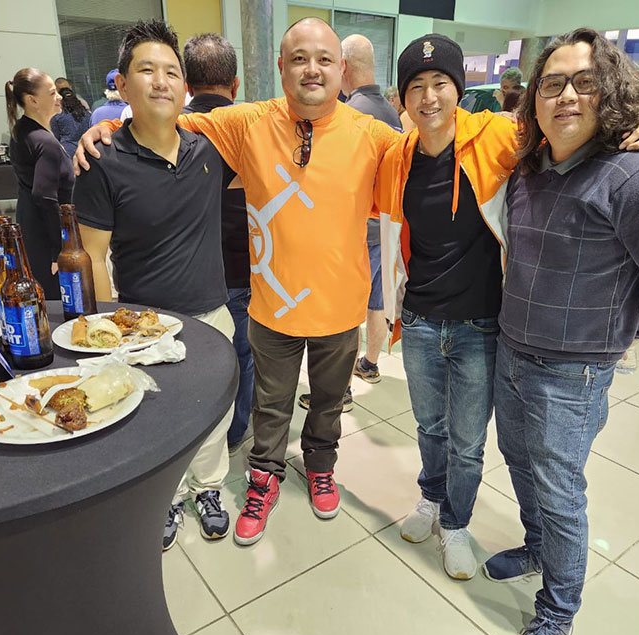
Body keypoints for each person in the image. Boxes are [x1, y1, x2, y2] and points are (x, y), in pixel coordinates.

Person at [74, 17, 401, 547]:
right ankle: (265, 475)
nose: (311, 69)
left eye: (323, 59)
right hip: (271, 306)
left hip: (341, 306)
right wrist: (106, 128)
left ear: (342, 69)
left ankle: (320, 466)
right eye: (298, 58)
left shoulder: (376, 136)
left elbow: (429, 166)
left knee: (328, 401)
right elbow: (162, 125)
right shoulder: (247, 122)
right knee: (269, 406)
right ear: (280, 68)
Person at [373, 35, 639, 582]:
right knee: (429, 427)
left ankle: (457, 524)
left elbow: (572, 131)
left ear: (459, 90)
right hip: (418, 321)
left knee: (468, 440)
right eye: (416, 87)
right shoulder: (395, 156)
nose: (429, 97)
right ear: (402, 98)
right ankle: (431, 501)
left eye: (440, 84)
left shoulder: (501, 136)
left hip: (483, 323)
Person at [484, 28, 639, 635]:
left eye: (585, 82)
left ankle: (557, 612)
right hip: (513, 349)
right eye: (553, 84)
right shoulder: (530, 169)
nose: (567, 96)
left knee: (560, 489)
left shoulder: (636, 176)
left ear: (610, 93)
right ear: (535, 99)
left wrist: (625, 332)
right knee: (520, 462)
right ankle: (534, 547)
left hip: (572, 372)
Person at [72, 20, 234, 549]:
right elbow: (92, 255)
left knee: (212, 411)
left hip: (212, 312)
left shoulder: (210, 148)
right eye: (147, 70)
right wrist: (106, 328)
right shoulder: (101, 162)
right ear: (121, 84)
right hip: (145, 325)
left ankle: (208, 488)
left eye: (172, 72)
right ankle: (166, 498)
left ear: (187, 88)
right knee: (156, 416)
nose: (162, 82)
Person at [298, 34, 402, 411]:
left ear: (343, 66)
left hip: (353, 233)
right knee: (374, 303)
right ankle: (370, 365)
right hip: (383, 232)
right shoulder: (390, 111)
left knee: (344, 314)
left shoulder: (348, 115)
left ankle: (339, 390)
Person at [181, 32, 252, 455]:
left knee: (191, 361)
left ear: (187, 84)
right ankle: (235, 430)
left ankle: (191, 440)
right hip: (246, 267)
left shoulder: (169, 129)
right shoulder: (256, 128)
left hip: (188, 271)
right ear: (236, 84)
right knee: (242, 355)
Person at [6, 68, 73, 299]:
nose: (60, 97)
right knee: (58, 299)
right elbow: (45, 196)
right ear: (32, 100)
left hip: (30, 224)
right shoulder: (44, 141)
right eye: (53, 92)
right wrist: (59, 248)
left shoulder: (21, 130)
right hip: (47, 234)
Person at [50, 86, 91, 158]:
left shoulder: (57, 115)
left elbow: (56, 137)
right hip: (86, 149)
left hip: (67, 152)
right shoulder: (86, 113)